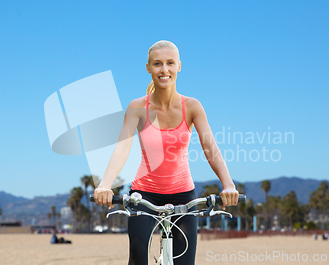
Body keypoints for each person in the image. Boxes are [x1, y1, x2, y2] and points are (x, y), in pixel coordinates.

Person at [93, 40, 239, 265]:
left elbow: (210, 147)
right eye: (157, 64)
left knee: (185, 262)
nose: (164, 69)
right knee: (138, 258)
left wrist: (228, 185)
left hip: (183, 195)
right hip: (143, 195)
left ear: (179, 66)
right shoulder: (137, 107)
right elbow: (122, 147)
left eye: (170, 63)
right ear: (148, 67)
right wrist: (105, 184)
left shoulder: (192, 106)